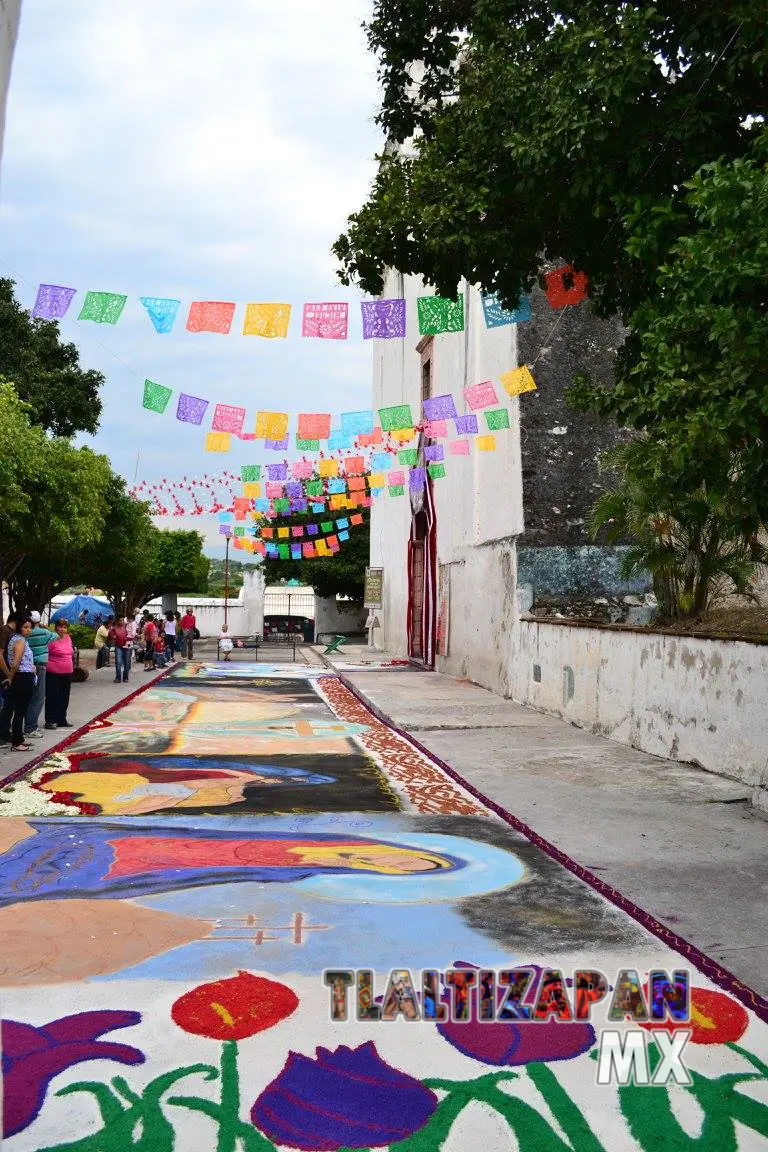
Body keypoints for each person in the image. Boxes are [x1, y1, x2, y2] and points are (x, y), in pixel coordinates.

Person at [3, 617, 38, 751]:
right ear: (19, 627)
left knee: (20, 710)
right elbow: (16, 663)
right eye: (25, 627)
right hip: (22, 678)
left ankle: (20, 739)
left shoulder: (20, 640)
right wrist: (10, 677)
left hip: (24, 676)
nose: (29, 630)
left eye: (30, 627)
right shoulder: (19, 641)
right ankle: (16, 742)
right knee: (20, 711)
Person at [24, 612, 56, 739]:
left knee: (29, 697)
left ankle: (27, 725)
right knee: (38, 698)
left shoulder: (26, 634)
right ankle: (30, 727)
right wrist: (45, 627)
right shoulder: (44, 633)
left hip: (28, 667)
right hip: (40, 666)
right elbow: (57, 636)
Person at [45, 619, 75, 729]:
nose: (62, 629)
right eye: (60, 627)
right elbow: (46, 652)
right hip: (53, 671)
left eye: (65, 627)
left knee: (64, 697)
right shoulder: (51, 638)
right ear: (56, 627)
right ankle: (50, 720)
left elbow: (70, 652)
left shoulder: (68, 637)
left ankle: (61, 719)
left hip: (67, 671)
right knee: (52, 696)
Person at [0, 612, 17, 743]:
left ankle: (5, 733)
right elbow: (0, 654)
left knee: (9, 706)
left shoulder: (11, 632)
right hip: (3, 675)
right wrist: (8, 674)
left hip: (8, 674)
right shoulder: (5, 631)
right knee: (4, 706)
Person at [112, 616, 132, 684]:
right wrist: (113, 637)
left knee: (127, 662)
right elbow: (111, 636)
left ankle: (125, 677)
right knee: (118, 662)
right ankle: (118, 678)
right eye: (120, 620)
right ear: (117, 621)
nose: (122, 622)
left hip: (126, 646)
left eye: (123, 620)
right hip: (118, 647)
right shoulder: (114, 628)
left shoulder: (127, 625)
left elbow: (132, 631)